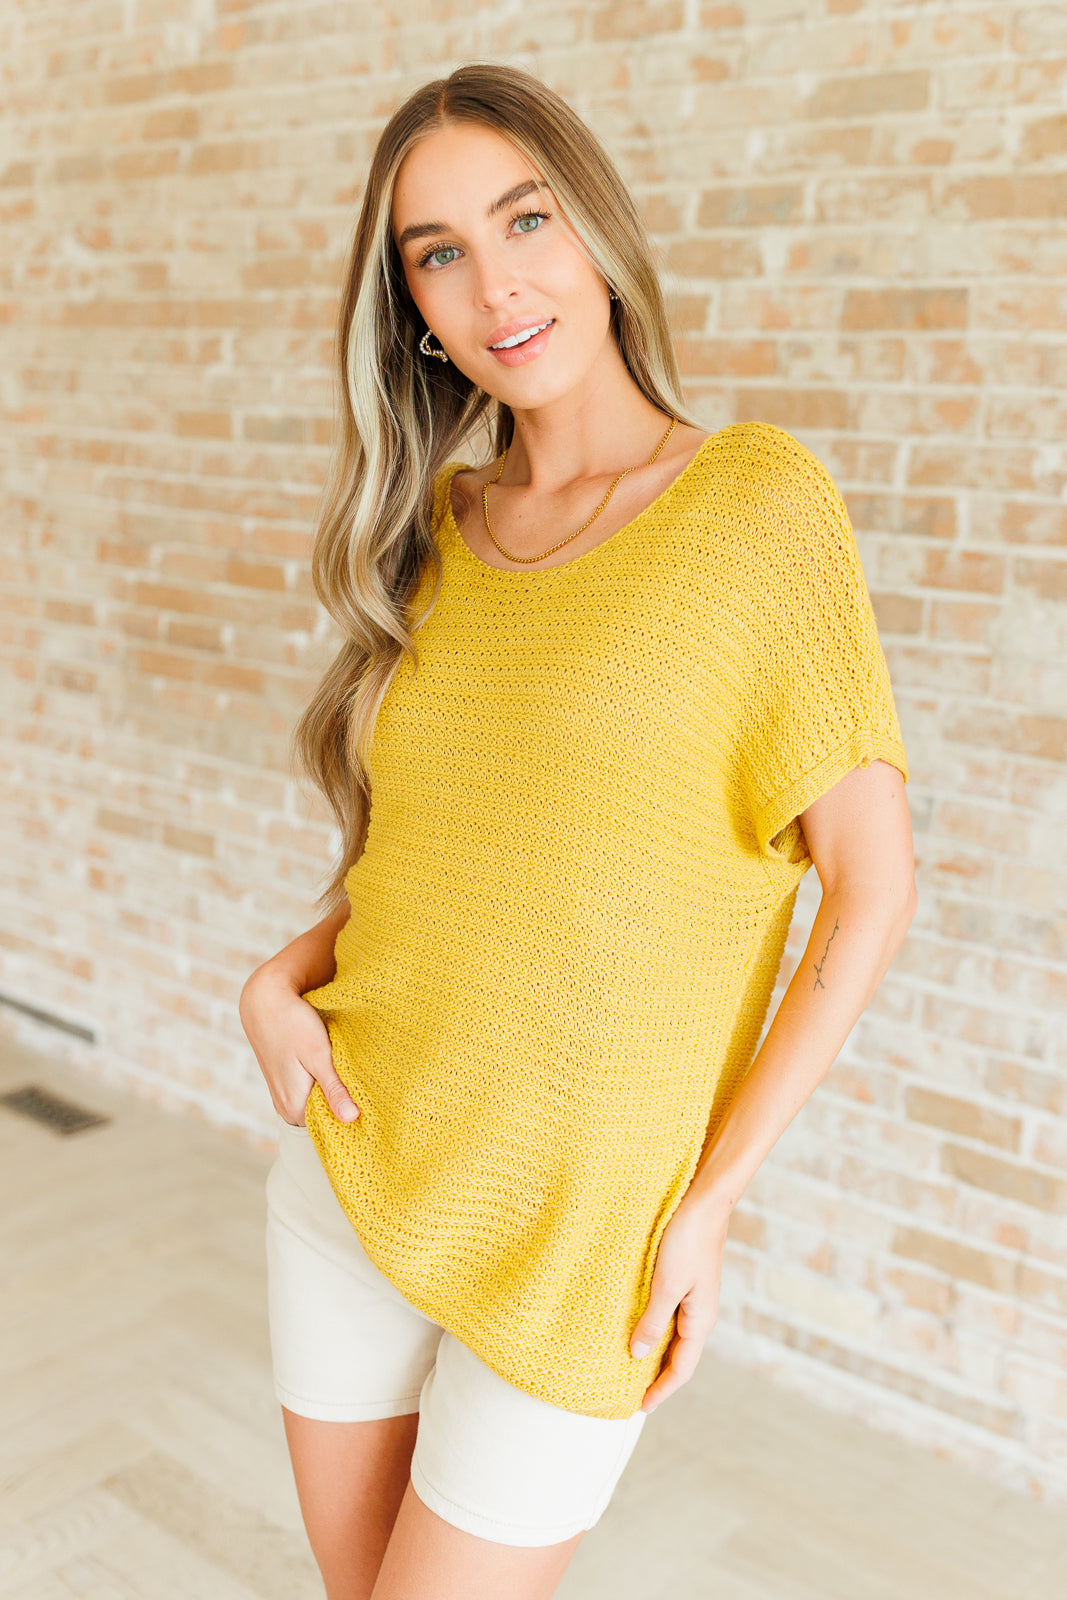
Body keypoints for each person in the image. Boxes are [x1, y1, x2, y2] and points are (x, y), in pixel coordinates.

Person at [238, 60, 916, 1600]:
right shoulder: (439, 534)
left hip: (590, 1238)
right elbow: (442, 850)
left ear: (596, 231)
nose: (496, 282)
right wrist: (278, 974)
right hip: (356, 1163)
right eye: (439, 252)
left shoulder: (754, 505)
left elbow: (870, 896)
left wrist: (712, 1201)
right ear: (412, 306)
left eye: (524, 217)